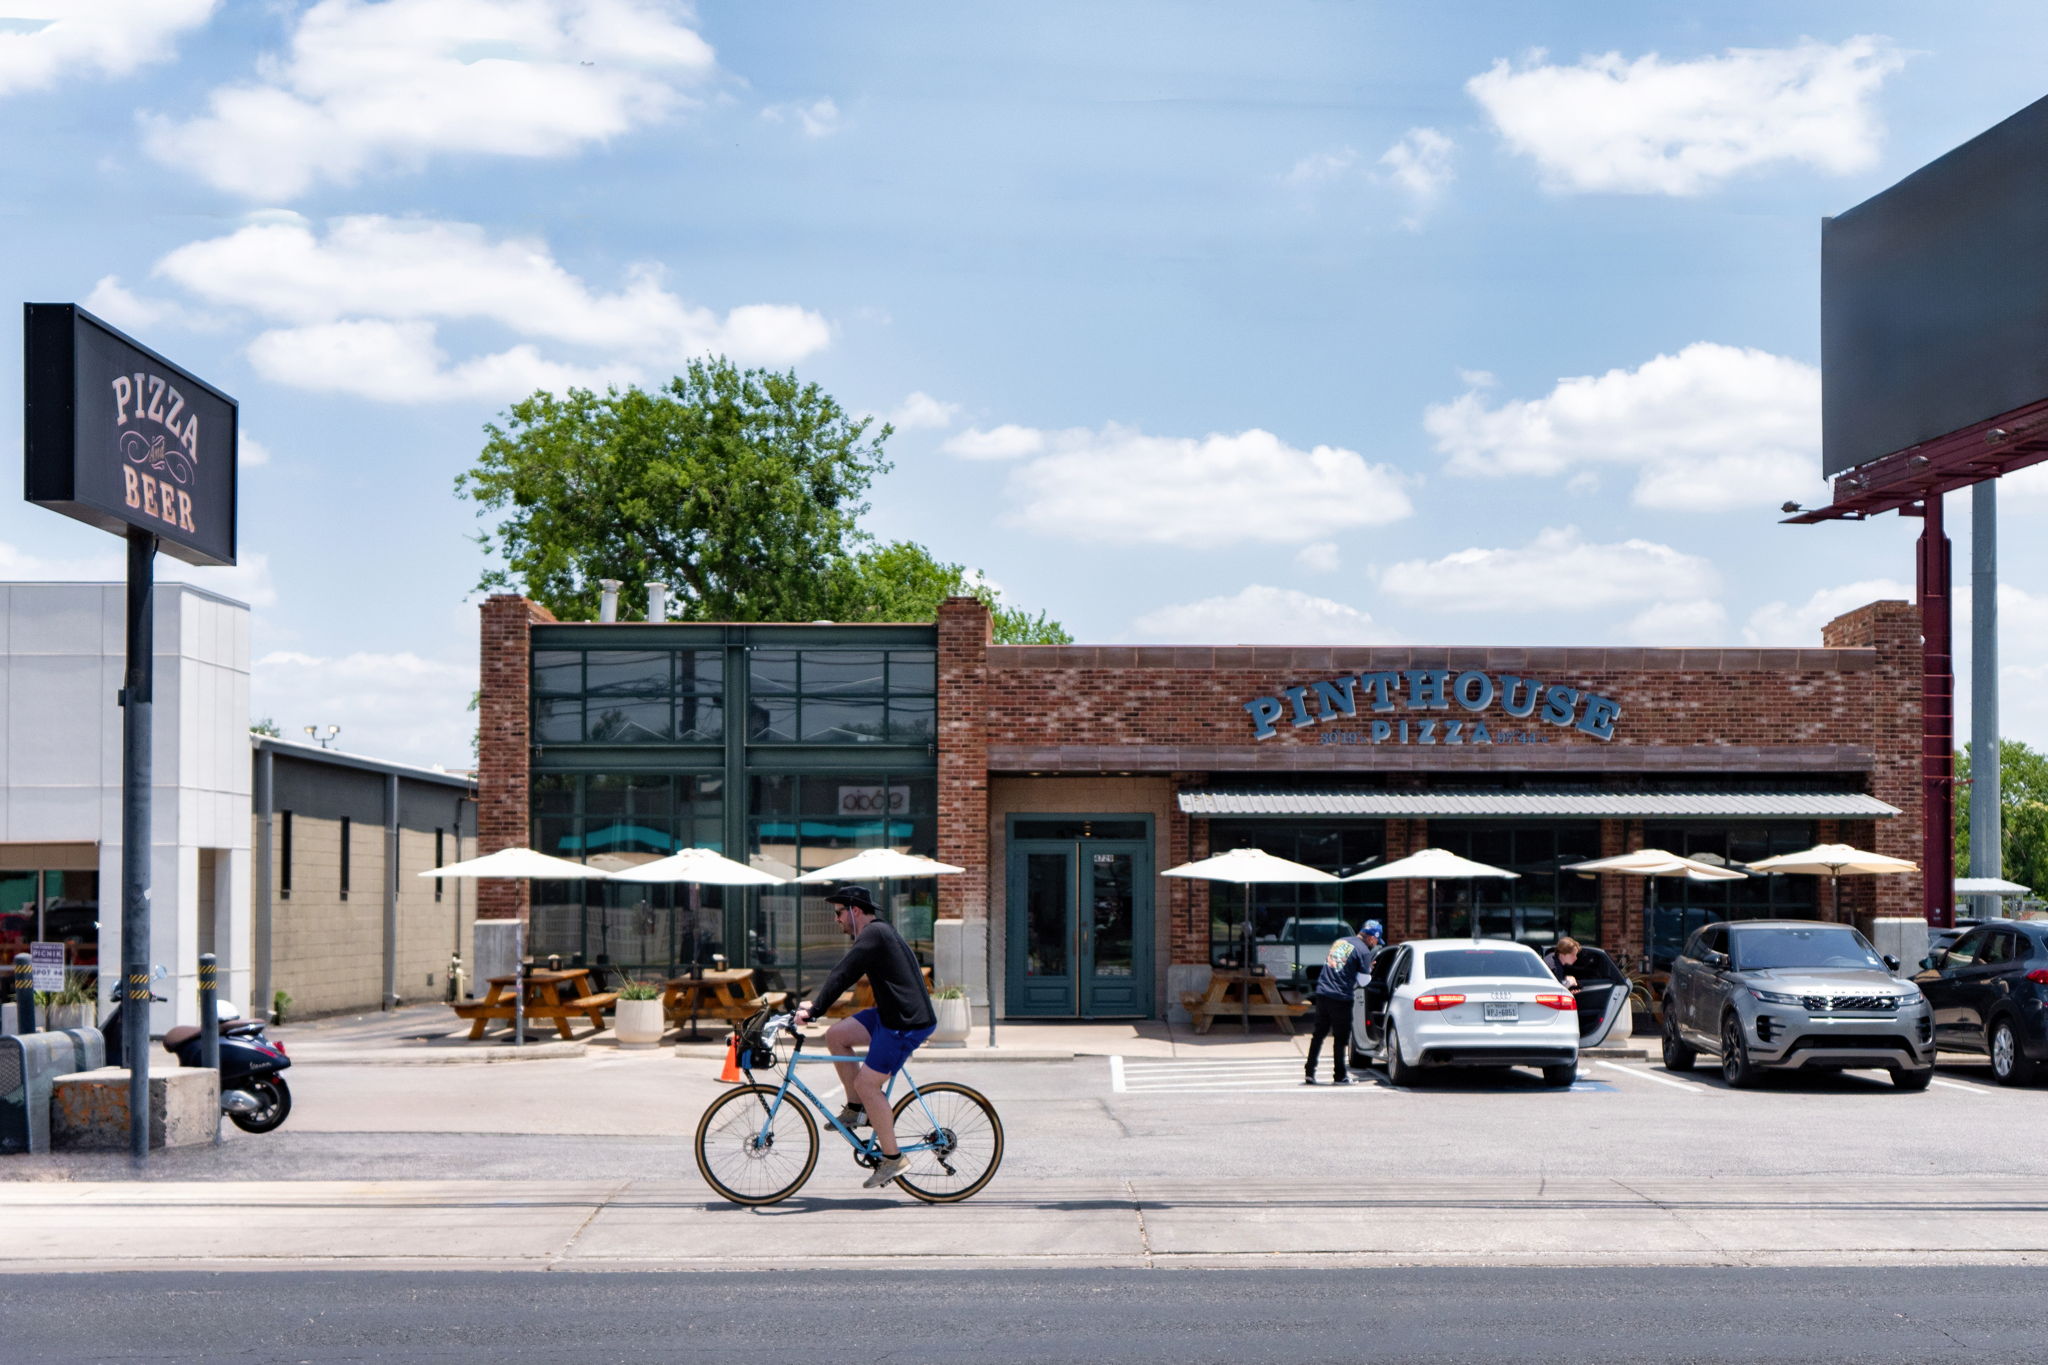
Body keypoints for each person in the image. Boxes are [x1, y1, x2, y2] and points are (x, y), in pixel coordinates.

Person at [791, 884, 936, 1189]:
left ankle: (893, 1158)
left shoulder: (874, 934)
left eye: (838, 913)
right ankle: (857, 1110)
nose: (836, 919)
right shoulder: (873, 935)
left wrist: (814, 1009)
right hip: (889, 1015)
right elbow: (844, 975)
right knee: (836, 1036)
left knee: (867, 1083)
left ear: (854, 910)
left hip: (906, 1022)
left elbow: (843, 973)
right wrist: (817, 1009)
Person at [1304, 918, 1383, 1086]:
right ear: (1371, 937)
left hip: (1323, 993)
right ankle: (1340, 1076)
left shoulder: (1340, 942)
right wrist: (1369, 969)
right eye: (1376, 940)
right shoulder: (1363, 951)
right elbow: (1363, 982)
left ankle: (1309, 1073)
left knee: (1318, 1034)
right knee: (1340, 1039)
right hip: (1340, 997)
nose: (1375, 944)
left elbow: (1339, 967)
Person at [1544, 936, 1614, 991]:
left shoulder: (1552, 958)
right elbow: (1555, 990)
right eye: (1572, 955)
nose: (1575, 958)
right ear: (1563, 954)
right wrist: (1569, 983)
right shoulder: (1554, 967)